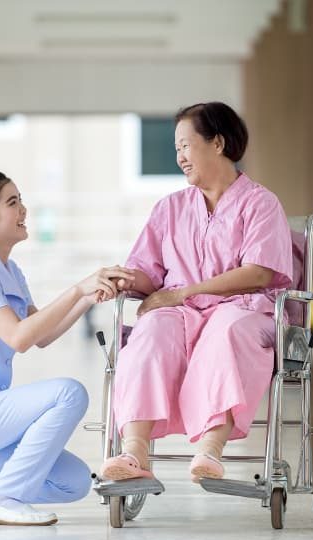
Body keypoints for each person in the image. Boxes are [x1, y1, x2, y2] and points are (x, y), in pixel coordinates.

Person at [0, 171, 133, 526]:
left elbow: (42, 335)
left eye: (20, 200)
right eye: (13, 203)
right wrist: (77, 288)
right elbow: (18, 337)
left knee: (73, 482)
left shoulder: (9, 270)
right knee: (68, 394)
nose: (24, 210)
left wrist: (90, 296)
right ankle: (3, 500)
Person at [98, 102, 295, 484]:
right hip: (181, 310)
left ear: (218, 143)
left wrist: (185, 291)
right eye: (177, 149)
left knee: (226, 330)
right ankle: (134, 451)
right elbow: (149, 273)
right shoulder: (169, 208)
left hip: (243, 307)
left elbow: (257, 272)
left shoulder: (261, 203)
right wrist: (126, 279)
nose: (180, 158)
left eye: (185, 146)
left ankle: (210, 449)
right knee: (151, 332)